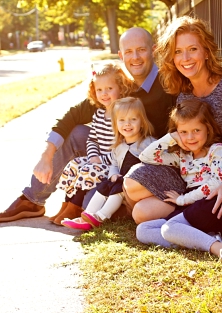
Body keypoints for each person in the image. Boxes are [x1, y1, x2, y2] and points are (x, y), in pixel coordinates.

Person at [0, 27, 176, 224]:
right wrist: (46, 155)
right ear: (120, 55)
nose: (135, 57)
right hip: (112, 157)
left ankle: (83, 203)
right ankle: (32, 199)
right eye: (128, 52)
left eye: (141, 50)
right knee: (77, 132)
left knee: (92, 202)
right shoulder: (120, 87)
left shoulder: (168, 85)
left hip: (141, 167)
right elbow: (72, 116)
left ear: (153, 49)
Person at [124, 16, 222, 240]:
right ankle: (182, 217)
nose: (186, 58)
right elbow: (180, 144)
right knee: (131, 183)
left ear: (206, 51)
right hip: (187, 172)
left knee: (143, 213)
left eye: (192, 49)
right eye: (179, 51)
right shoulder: (185, 93)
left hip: (216, 176)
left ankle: (182, 225)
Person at [132, 98, 222, 262]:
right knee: (143, 230)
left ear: (208, 128)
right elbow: (145, 156)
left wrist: (183, 199)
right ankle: (198, 238)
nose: (190, 137)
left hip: (216, 202)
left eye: (196, 130)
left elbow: (217, 183)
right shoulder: (182, 155)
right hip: (194, 206)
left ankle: (218, 248)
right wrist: (171, 137)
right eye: (183, 132)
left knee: (170, 228)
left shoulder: (217, 150)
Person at [50, 61, 132, 225]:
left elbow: (123, 148)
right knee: (74, 165)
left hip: (114, 164)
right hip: (98, 160)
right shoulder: (99, 114)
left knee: (88, 169)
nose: (104, 94)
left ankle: (75, 205)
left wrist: (99, 160)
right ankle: (66, 203)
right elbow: (92, 139)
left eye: (109, 89)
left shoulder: (123, 115)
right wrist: (93, 156)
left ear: (121, 88)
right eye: (100, 90)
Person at [63, 96, 156, 231]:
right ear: (116, 124)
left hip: (136, 186)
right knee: (105, 185)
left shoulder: (148, 143)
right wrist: (113, 174)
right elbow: (114, 164)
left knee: (118, 187)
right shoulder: (119, 147)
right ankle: (86, 217)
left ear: (142, 122)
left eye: (133, 119)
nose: (127, 124)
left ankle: (101, 216)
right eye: (122, 120)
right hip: (120, 182)